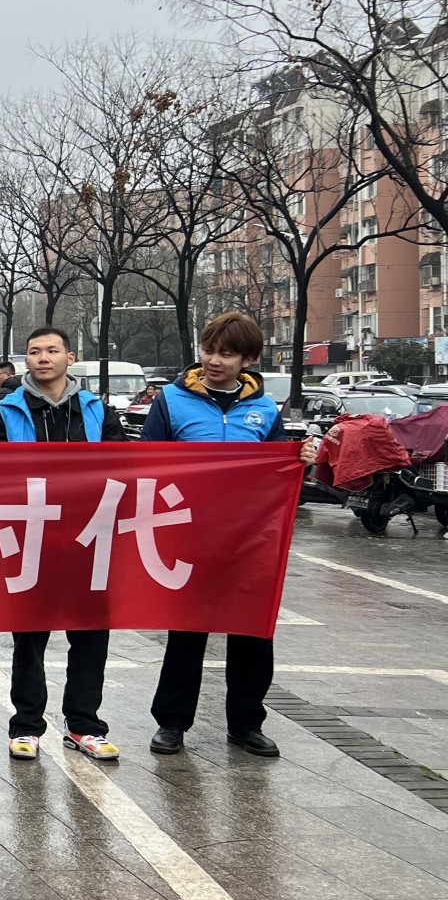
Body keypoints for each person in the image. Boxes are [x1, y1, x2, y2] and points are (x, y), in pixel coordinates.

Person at [143, 312, 319, 758]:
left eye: (226, 354)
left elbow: (277, 472)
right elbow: (146, 463)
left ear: (248, 359)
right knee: (187, 631)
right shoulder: (171, 401)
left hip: (249, 539)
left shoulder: (264, 409)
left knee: (252, 631)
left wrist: (300, 460)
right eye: (209, 351)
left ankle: (246, 722)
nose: (214, 360)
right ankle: (172, 722)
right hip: (189, 534)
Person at [0, 327, 126, 762]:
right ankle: (26, 725)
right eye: (34, 352)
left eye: (52, 350)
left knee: (91, 633)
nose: (43, 358)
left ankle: (84, 725)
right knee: (29, 634)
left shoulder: (97, 410)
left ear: (70, 357)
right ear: (25, 360)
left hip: (90, 535)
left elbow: (123, 465)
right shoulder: (4, 413)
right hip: (30, 535)